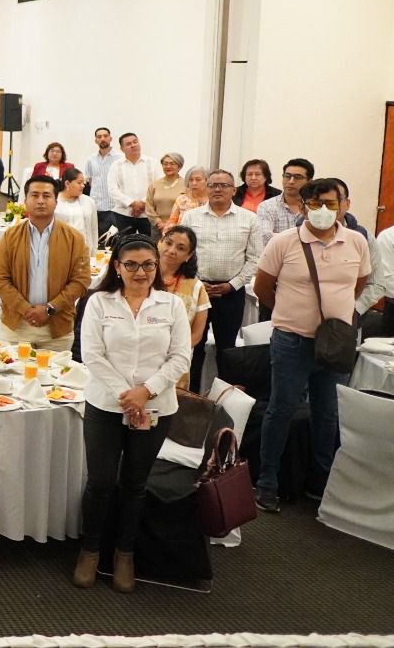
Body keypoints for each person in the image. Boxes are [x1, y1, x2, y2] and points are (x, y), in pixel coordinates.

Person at [73, 232, 191, 593]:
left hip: (157, 407)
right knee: (101, 482)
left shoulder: (170, 306)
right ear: (117, 267)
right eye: (132, 265)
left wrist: (146, 392)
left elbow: (181, 357)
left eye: (148, 264)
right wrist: (127, 396)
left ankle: (125, 553)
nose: (141, 272)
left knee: (136, 485)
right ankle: (90, 551)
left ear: (157, 267)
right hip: (106, 406)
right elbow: (91, 354)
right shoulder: (99, 302)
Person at [252, 178, 370, 513]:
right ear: (304, 206)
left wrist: (334, 318)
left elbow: (358, 285)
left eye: (331, 204)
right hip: (292, 341)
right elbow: (263, 289)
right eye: (316, 204)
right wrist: (292, 314)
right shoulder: (284, 242)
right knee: (281, 409)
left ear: (344, 204)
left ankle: (320, 482)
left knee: (328, 413)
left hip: (336, 342)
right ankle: (268, 483)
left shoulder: (356, 243)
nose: (323, 211)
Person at [0, 176, 92, 352]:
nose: (40, 201)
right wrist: (26, 309)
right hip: (16, 326)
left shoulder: (74, 238)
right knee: (13, 378)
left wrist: (50, 309)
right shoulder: (10, 236)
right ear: (25, 201)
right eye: (35, 195)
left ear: (56, 201)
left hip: (57, 328)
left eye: (46, 196)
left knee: (55, 379)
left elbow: (81, 281)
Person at [178, 169, 264, 364]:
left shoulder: (250, 219)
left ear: (234, 190)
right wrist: (197, 283)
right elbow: (182, 253)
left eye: (224, 185)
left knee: (227, 349)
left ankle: (224, 392)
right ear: (206, 189)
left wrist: (233, 285)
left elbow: (255, 258)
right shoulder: (191, 217)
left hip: (231, 292)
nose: (218, 189)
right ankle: (190, 393)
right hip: (196, 290)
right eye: (213, 185)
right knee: (192, 347)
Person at [158, 225, 212, 391]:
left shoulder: (196, 287)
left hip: (176, 362)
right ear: (159, 243)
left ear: (188, 256)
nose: (172, 250)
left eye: (180, 248)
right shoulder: (141, 277)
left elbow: (196, 334)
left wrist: (172, 354)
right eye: (168, 243)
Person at [256, 157, 314, 241]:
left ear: (309, 182)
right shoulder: (266, 206)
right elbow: (265, 237)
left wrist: (277, 237)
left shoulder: (315, 207)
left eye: (297, 177)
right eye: (287, 176)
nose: (291, 181)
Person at [107, 133, 152, 237]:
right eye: (128, 144)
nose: (133, 145)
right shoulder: (116, 165)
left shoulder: (152, 163)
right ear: (122, 149)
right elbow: (112, 189)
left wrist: (142, 203)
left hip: (147, 213)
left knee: (149, 246)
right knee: (124, 246)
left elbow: (156, 187)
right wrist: (132, 203)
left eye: (135, 142)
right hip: (124, 213)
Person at [83, 127, 121, 236]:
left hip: (115, 207)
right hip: (96, 207)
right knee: (98, 240)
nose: (102, 139)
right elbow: (89, 181)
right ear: (96, 140)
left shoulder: (120, 158)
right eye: (99, 137)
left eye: (105, 136)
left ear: (110, 138)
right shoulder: (90, 159)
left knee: (114, 242)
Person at [55, 168, 100, 249]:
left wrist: (94, 251)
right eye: (79, 183)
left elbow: (94, 229)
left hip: (85, 250)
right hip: (62, 250)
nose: (83, 186)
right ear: (67, 183)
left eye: (83, 182)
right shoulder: (55, 203)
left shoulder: (89, 202)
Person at [145, 153, 188, 236]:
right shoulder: (154, 184)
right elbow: (149, 206)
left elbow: (188, 207)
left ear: (179, 166)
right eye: (165, 164)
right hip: (157, 227)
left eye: (172, 164)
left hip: (178, 228)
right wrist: (158, 222)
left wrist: (172, 224)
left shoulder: (186, 185)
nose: (168, 166)